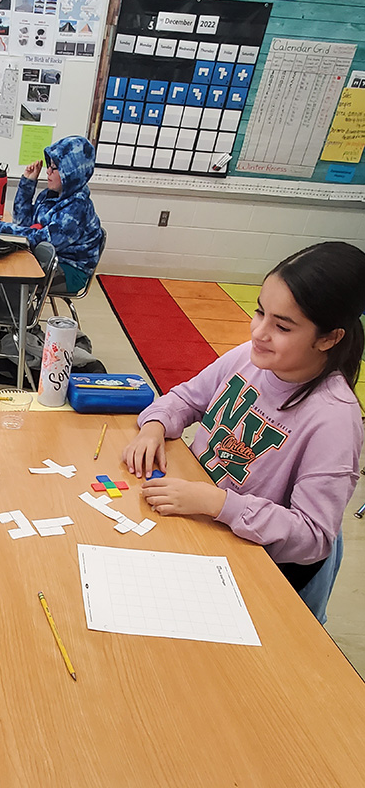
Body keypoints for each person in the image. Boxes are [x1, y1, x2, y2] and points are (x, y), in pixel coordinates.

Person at [122, 242, 365, 622]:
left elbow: (314, 536)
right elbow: (187, 398)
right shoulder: (248, 357)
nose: (258, 332)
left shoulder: (333, 420)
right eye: (259, 312)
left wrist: (218, 503)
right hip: (200, 521)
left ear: (329, 338)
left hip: (254, 566)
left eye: (282, 326)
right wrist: (154, 426)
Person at [0, 135, 103, 296]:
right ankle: (10, 315)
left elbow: (45, 239)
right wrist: (27, 183)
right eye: (49, 166)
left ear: (71, 172)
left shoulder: (77, 206)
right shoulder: (49, 195)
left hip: (70, 270)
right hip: (48, 259)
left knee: (10, 273)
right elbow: (23, 224)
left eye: (55, 168)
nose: (48, 171)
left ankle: (22, 319)